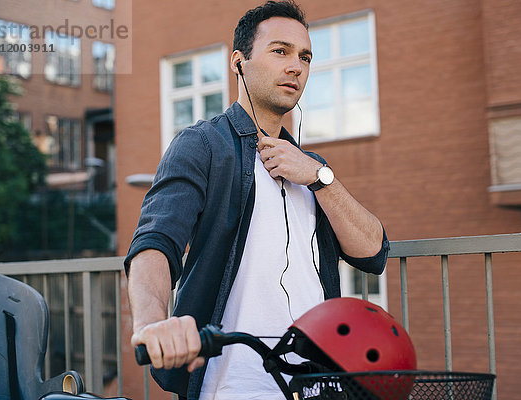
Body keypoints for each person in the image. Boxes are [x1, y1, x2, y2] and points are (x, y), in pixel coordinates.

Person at [124, 1, 390, 399]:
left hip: (316, 383)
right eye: (280, 51)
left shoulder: (312, 167)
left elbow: (374, 252)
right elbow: (155, 242)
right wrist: (150, 324)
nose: (296, 66)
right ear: (239, 63)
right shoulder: (203, 145)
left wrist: (320, 178)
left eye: (305, 56)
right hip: (234, 382)